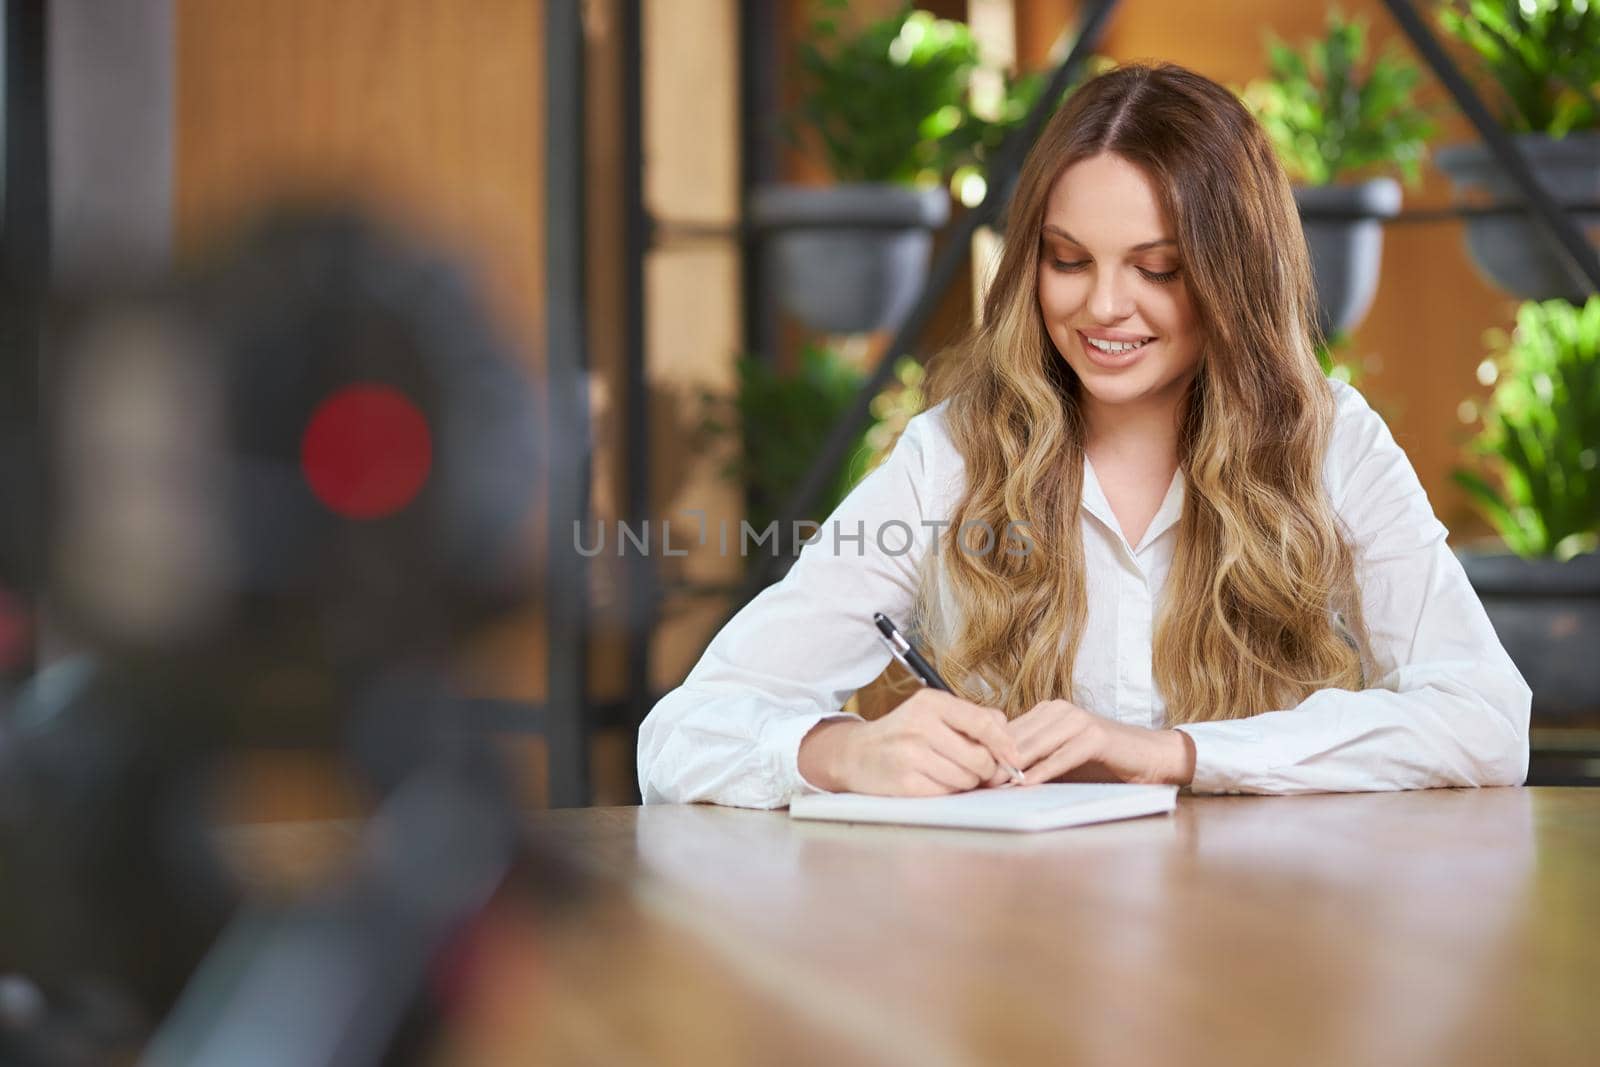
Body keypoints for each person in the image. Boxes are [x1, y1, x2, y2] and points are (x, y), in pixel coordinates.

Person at [637, 62, 1530, 808]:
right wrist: (838, 753)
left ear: (1234, 276)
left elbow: (1488, 722)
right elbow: (680, 733)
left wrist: (1175, 754)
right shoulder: (951, 455)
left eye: (1158, 268)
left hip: (1272, 947)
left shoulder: (1333, 447)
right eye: (1068, 261)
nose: (1103, 306)